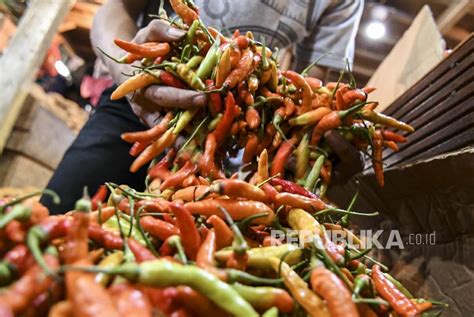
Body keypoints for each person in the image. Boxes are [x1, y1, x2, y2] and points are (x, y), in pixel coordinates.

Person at [41, 0, 365, 214]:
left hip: (228, 136)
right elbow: (114, 11)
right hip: (141, 96)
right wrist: (131, 72)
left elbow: (309, 89)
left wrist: (311, 137)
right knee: (60, 216)